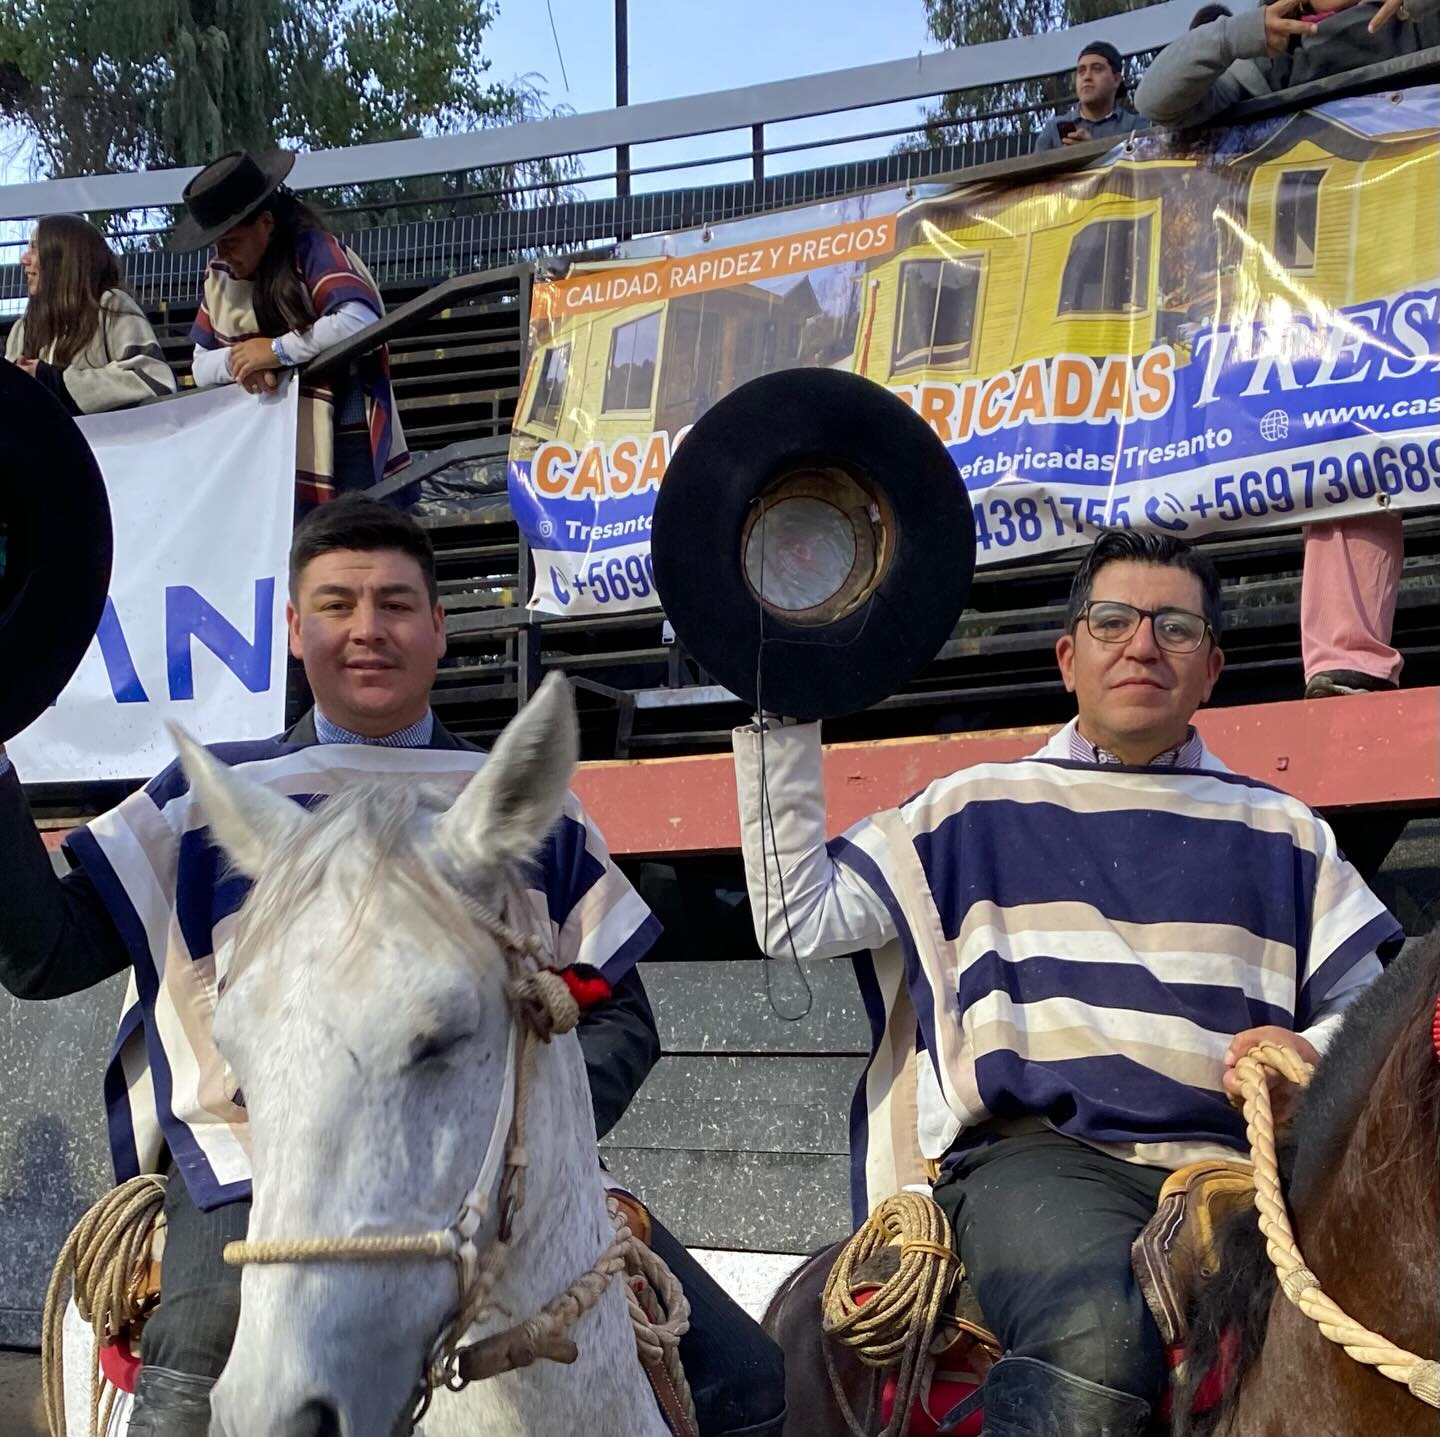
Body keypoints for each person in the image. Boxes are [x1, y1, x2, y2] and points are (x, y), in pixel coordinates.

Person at [0, 498, 784, 1437]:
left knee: (749, 1383)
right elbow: (42, 953)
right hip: (257, 1171)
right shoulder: (212, 802)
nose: (367, 628)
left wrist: (507, 1144)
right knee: (204, 1349)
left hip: (498, 1174)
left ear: (441, 628)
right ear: (293, 630)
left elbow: (619, 1016)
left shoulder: (529, 811)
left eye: (396, 604)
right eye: (335, 604)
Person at [731, 530, 1401, 1436]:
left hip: (1240, 1173)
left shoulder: (1287, 830)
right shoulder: (973, 805)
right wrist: (781, 707)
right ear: (1068, 654)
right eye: (1114, 620)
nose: (1141, 645)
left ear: (1211, 667)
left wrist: (1306, 1049)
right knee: (1096, 1331)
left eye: (1174, 627)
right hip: (1034, 1160)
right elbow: (794, 916)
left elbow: (1369, 1005)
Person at [1135, 0, 1429, 700]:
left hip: (1418, 273)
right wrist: (1240, 36)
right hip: (1326, 299)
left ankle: (1348, 661)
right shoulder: (1274, 50)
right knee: (1334, 457)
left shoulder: (1417, 16)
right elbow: (1157, 101)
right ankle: (1338, 666)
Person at [172, 150, 413, 513]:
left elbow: (358, 320)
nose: (223, 254)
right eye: (217, 244)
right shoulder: (218, 277)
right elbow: (201, 366)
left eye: (232, 242)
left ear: (265, 223)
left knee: (355, 536)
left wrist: (275, 351)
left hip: (343, 432)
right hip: (270, 442)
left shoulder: (313, 249)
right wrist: (246, 364)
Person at [5, 214, 176, 413]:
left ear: (64, 258)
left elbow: (153, 379)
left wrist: (55, 381)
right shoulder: (23, 329)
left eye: (34, 248)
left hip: (105, 442)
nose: (23, 260)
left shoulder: (110, 306)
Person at [1033, 42, 1144, 151]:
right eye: (1081, 71)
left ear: (1116, 80)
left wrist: (1092, 150)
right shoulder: (1053, 129)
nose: (1087, 77)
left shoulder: (1136, 125)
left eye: (1096, 69)